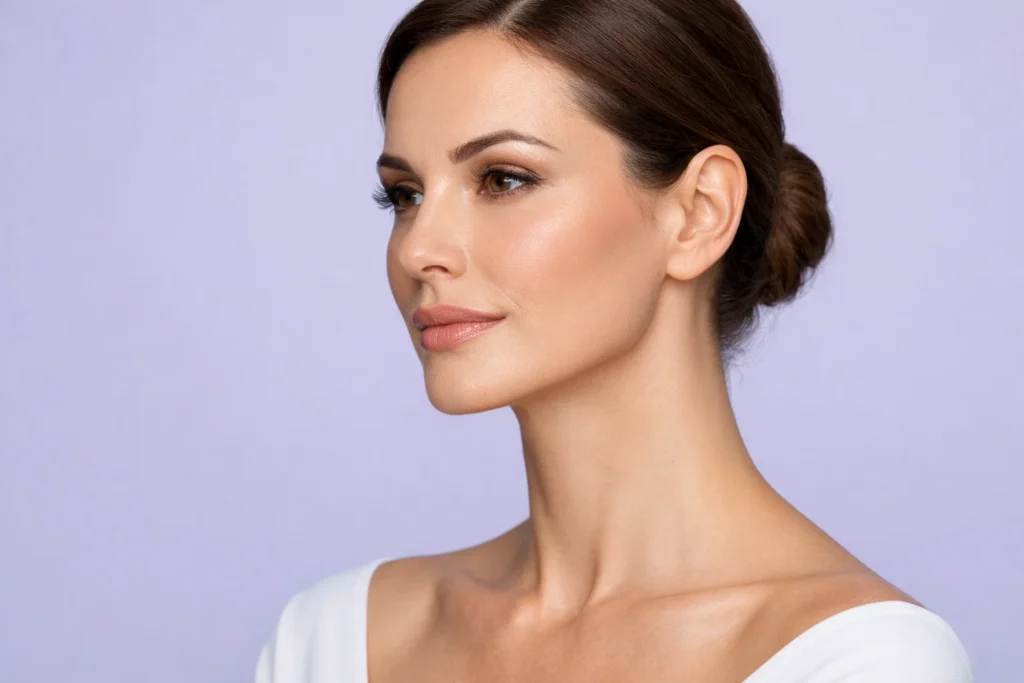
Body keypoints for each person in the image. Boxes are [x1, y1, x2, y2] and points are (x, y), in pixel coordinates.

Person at [255, 0, 973, 681]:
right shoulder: (338, 641)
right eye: (406, 195)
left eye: (503, 179)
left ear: (699, 212)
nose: (418, 250)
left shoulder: (859, 662)